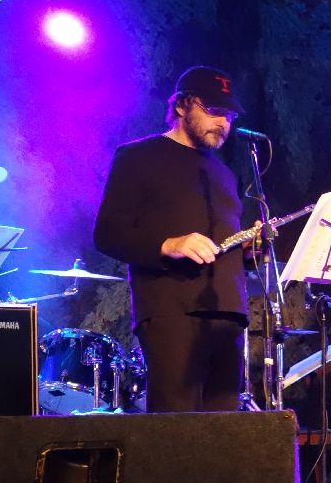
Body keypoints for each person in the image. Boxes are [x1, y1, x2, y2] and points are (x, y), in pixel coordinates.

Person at [94, 65, 250, 413]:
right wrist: (169, 245)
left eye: (229, 115)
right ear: (181, 105)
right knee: (176, 429)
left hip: (228, 313)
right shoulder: (138, 157)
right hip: (172, 311)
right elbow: (107, 234)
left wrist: (250, 253)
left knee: (225, 431)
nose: (223, 122)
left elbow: (224, 245)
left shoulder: (224, 174)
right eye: (214, 110)